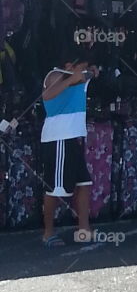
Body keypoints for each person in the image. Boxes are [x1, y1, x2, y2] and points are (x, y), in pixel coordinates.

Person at [39, 60, 97, 248]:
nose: (85, 69)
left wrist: (91, 72)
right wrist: (72, 78)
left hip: (72, 138)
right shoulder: (54, 75)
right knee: (55, 189)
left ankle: (84, 231)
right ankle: (48, 233)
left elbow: (90, 75)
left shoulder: (79, 77)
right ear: (70, 65)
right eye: (83, 66)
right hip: (58, 138)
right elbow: (47, 95)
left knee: (84, 184)